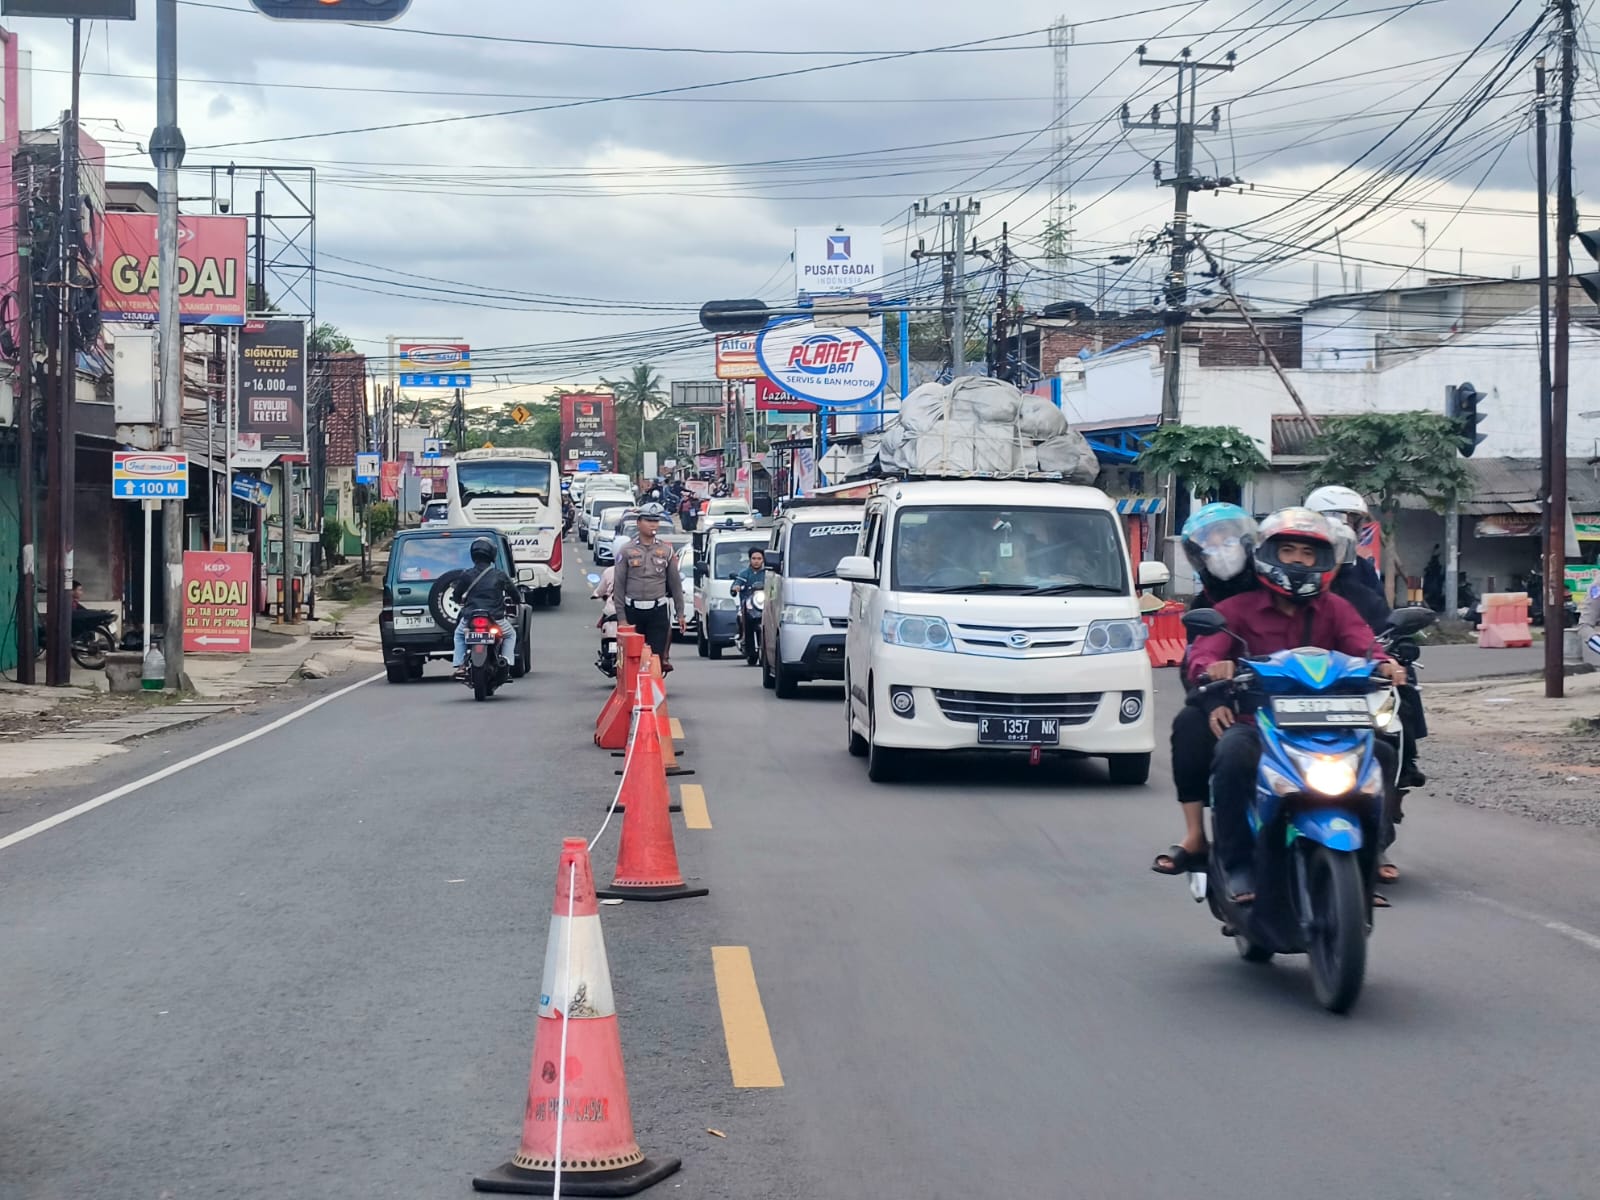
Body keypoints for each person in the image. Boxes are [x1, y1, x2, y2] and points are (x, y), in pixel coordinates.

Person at [1187, 508, 1407, 904]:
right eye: (1288, 551)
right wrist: (1214, 670)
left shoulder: (1336, 609)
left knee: (1385, 755)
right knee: (1232, 755)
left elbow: (1363, 643)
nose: (1298, 561)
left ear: (1323, 561)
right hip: (1260, 724)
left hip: (1333, 722)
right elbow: (1203, 654)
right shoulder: (1236, 609)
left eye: (1308, 554)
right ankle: (1237, 865)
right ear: (1268, 555)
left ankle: (1366, 865)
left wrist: (1386, 664)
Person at [1152, 504, 1259, 876]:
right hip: (1232, 700)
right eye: (1210, 543)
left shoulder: (1279, 586)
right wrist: (1215, 696)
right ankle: (1196, 834)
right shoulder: (1204, 605)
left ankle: (1367, 851)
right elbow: (1195, 663)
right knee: (1189, 726)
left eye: (1226, 537)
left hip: (1291, 698)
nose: (1221, 547)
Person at [612, 503, 685, 671]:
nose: (653, 525)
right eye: (648, 520)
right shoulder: (626, 550)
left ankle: (652, 693)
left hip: (657, 611)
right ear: (639, 523)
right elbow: (619, 586)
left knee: (655, 657)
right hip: (633, 611)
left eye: (656, 521)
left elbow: (675, 584)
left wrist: (680, 613)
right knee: (633, 658)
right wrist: (622, 618)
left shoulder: (666, 551)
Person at [449, 538, 519, 680]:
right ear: (492, 554)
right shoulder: (500, 575)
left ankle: (460, 665)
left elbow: (456, 595)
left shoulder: (466, 575)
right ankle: (506, 662)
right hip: (495, 618)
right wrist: (517, 601)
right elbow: (514, 594)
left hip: (470, 618)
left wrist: (458, 601)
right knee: (510, 635)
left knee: (459, 635)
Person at [1305, 485, 1385, 602]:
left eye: (1351, 521)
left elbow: (1380, 613)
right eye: (1338, 519)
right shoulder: (1304, 562)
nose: (1345, 527)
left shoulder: (1363, 568)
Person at [732, 548, 767, 661]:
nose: (756, 561)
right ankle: (748, 647)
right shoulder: (744, 573)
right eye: (754, 558)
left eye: (759, 558)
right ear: (750, 559)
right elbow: (737, 583)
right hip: (748, 606)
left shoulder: (768, 574)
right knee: (744, 620)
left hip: (764, 606)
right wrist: (735, 588)